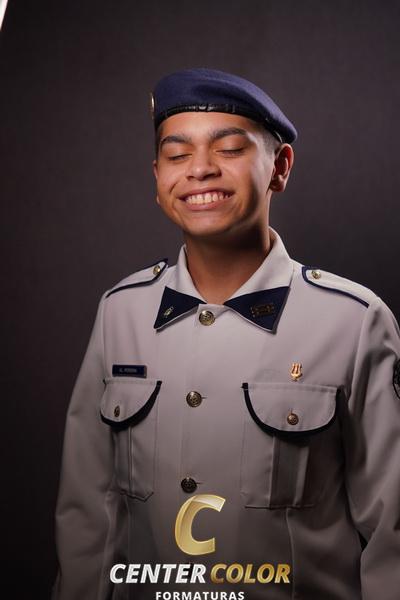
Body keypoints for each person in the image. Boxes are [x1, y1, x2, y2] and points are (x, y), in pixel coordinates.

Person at [51, 68, 400, 600]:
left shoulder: (354, 321)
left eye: (230, 148)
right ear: (157, 177)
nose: (200, 169)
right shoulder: (121, 312)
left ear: (279, 167)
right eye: (177, 154)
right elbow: (88, 518)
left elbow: (392, 534)